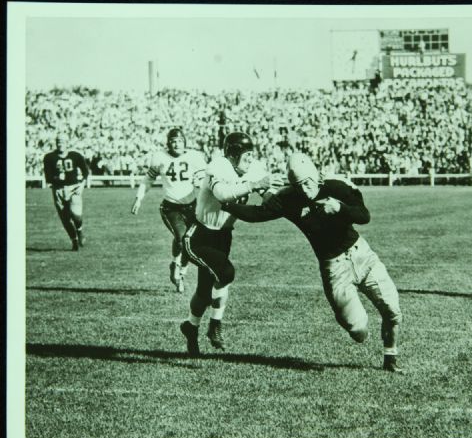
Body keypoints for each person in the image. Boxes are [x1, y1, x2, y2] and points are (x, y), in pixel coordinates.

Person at [221, 152, 403, 373]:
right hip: (334, 268)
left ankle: (390, 357)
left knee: (392, 310)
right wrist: (225, 204)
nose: (304, 189)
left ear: (315, 177)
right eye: (298, 185)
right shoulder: (290, 198)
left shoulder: (336, 187)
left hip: (363, 256)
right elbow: (257, 214)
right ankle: (363, 329)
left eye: (307, 183)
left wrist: (340, 208)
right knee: (358, 331)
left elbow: (364, 215)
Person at [179, 132, 273, 355]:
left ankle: (190, 327)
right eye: (246, 155)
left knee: (204, 291)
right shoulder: (218, 166)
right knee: (226, 273)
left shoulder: (253, 169)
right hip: (199, 236)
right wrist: (253, 185)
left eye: (252, 155)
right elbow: (222, 194)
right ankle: (215, 326)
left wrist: (272, 196)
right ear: (232, 155)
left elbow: (267, 193)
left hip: (223, 236)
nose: (250, 160)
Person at [131, 128, 207, 293]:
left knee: (189, 241)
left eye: (179, 141)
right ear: (168, 143)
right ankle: (176, 263)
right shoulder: (159, 157)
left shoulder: (195, 157)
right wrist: (139, 198)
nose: (176, 144)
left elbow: (204, 179)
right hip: (170, 207)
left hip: (191, 206)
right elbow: (148, 178)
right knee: (182, 238)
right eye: (173, 141)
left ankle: (180, 269)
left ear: (184, 142)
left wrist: (200, 183)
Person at [43, 133, 89, 251]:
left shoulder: (76, 155)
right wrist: (57, 178)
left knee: (76, 214)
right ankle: (74, 241)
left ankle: (79, 231)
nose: (60, 143)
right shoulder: (49, 157)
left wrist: (82, 186)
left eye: (63, 141)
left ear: (67, 142)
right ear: (55, 142)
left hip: (74, 187)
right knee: (65, 219)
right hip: (58, 190)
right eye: (58, 141)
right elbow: (48, 177)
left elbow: (86, 172)